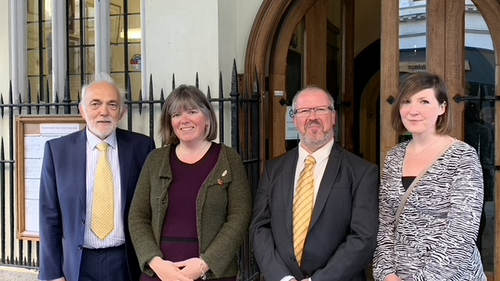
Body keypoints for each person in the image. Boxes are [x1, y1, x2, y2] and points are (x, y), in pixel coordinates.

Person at [251, 86, 379, 281]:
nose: (313, 117)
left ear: (333, 117)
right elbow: (260, 228)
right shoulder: (273, 169)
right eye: (304, 111)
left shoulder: (362, 172)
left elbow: (364, 238)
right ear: (294, 119)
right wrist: (283, 278)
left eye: (321, 109)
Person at [38, 73, 156, 281]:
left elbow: (152, 210)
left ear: (122, 112)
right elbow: (49, 217)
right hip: (78, 264)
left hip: (127, 263)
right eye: (95, 104)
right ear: (82, 110)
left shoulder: (142, 148)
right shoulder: (58, 151)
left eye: (112, 105)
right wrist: (52, 274)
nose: (104, 112)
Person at [128, 85, 252, 281]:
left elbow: (240, 216)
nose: (184, 120)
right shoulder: (155, 160)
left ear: (207, 118)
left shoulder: (228, 159)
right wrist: (154, 261)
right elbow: (138, 216)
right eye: (176, 114)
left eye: (192, 112)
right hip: (160, 273)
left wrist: (206, 263)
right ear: (170, 122)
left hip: (212, 273)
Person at [372, 72, 486, 281]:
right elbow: (386, 224)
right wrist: (386, 273)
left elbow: (461, 233)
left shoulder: (463, 156)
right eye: (406, 101)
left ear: (442, 108)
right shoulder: (394, 157)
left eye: (424, 101)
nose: (413, 110)